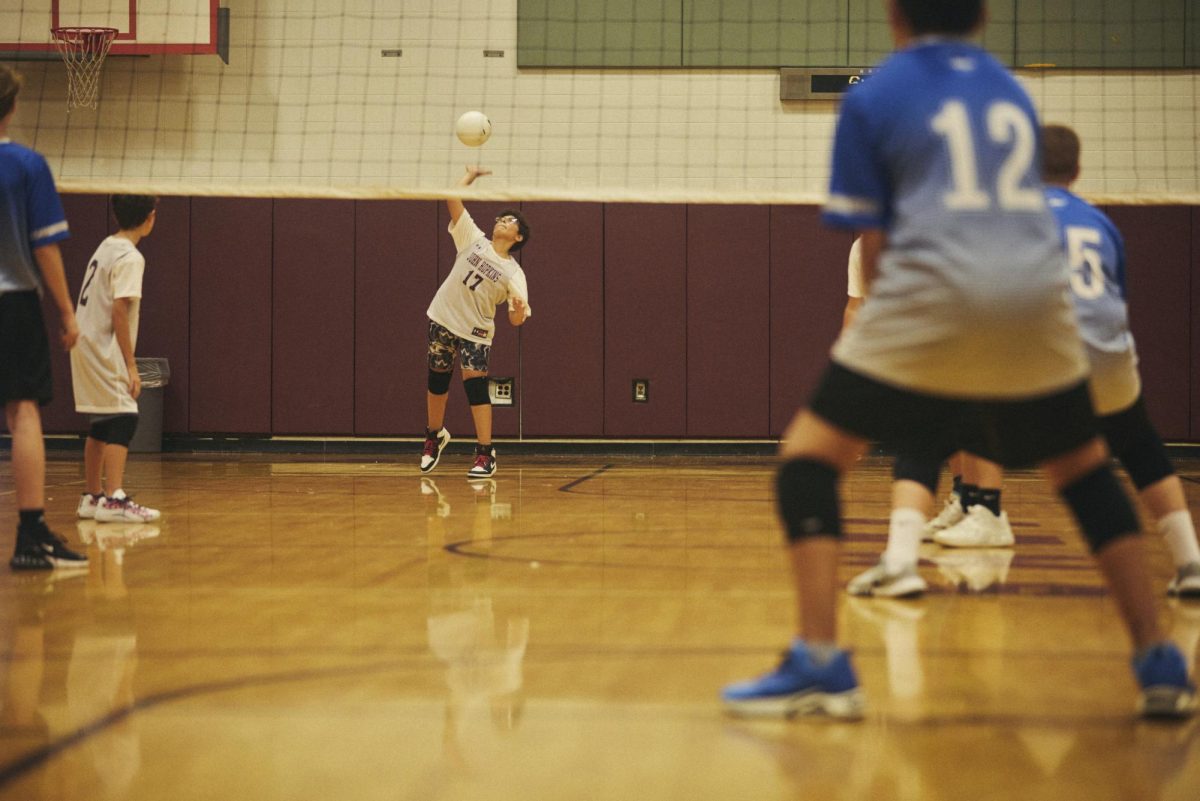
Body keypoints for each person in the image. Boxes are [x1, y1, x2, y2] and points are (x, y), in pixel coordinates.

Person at [721, 0, 1195, 720]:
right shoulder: (1006, 87)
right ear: (979, 17)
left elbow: (874, 243)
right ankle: (1160, 660)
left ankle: (821, 662)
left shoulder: (876, 93)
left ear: (893, 15)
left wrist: (881, 349)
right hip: (1035, 296)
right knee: (1088, 471)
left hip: (935, 294)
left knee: (809, 459)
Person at [1041, 123, 1200, 597]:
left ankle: (965, 516)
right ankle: (1190, 561)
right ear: (1078, 170)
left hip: (1040, 351)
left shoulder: (1013, 217)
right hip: (1107, 350)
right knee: (1138, 443)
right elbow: (1116, 296)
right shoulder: (1100, 223)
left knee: (941, 419)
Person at [0, 64, 88, 570]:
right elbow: (46, 247)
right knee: (24, 413)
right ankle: (30, 535)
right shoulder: (27, 166)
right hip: (12, 302)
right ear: (11, 107)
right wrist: (66, 313)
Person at [420, 166, 531, 479]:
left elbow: (515, 319)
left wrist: (519, 309)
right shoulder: (474, 239)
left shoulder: (514, 274)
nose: (501, 220)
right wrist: (468, 178)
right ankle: (434, 435)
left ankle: (485, 453)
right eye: (501, 217)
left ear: (517, 236)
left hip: (476, 331)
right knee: (437, 379)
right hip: (443, 316)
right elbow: (451, 197)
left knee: (474, 383)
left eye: (509, 220)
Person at [71, 194, 162, 524]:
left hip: (84, 342)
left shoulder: (106, 245)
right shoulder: (130, 256)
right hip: (102, 345)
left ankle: (92, 497)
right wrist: (131, 364)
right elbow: (120, 310)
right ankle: (114, 498)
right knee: (125, 417)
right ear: (150, 218)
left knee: (102, 421)